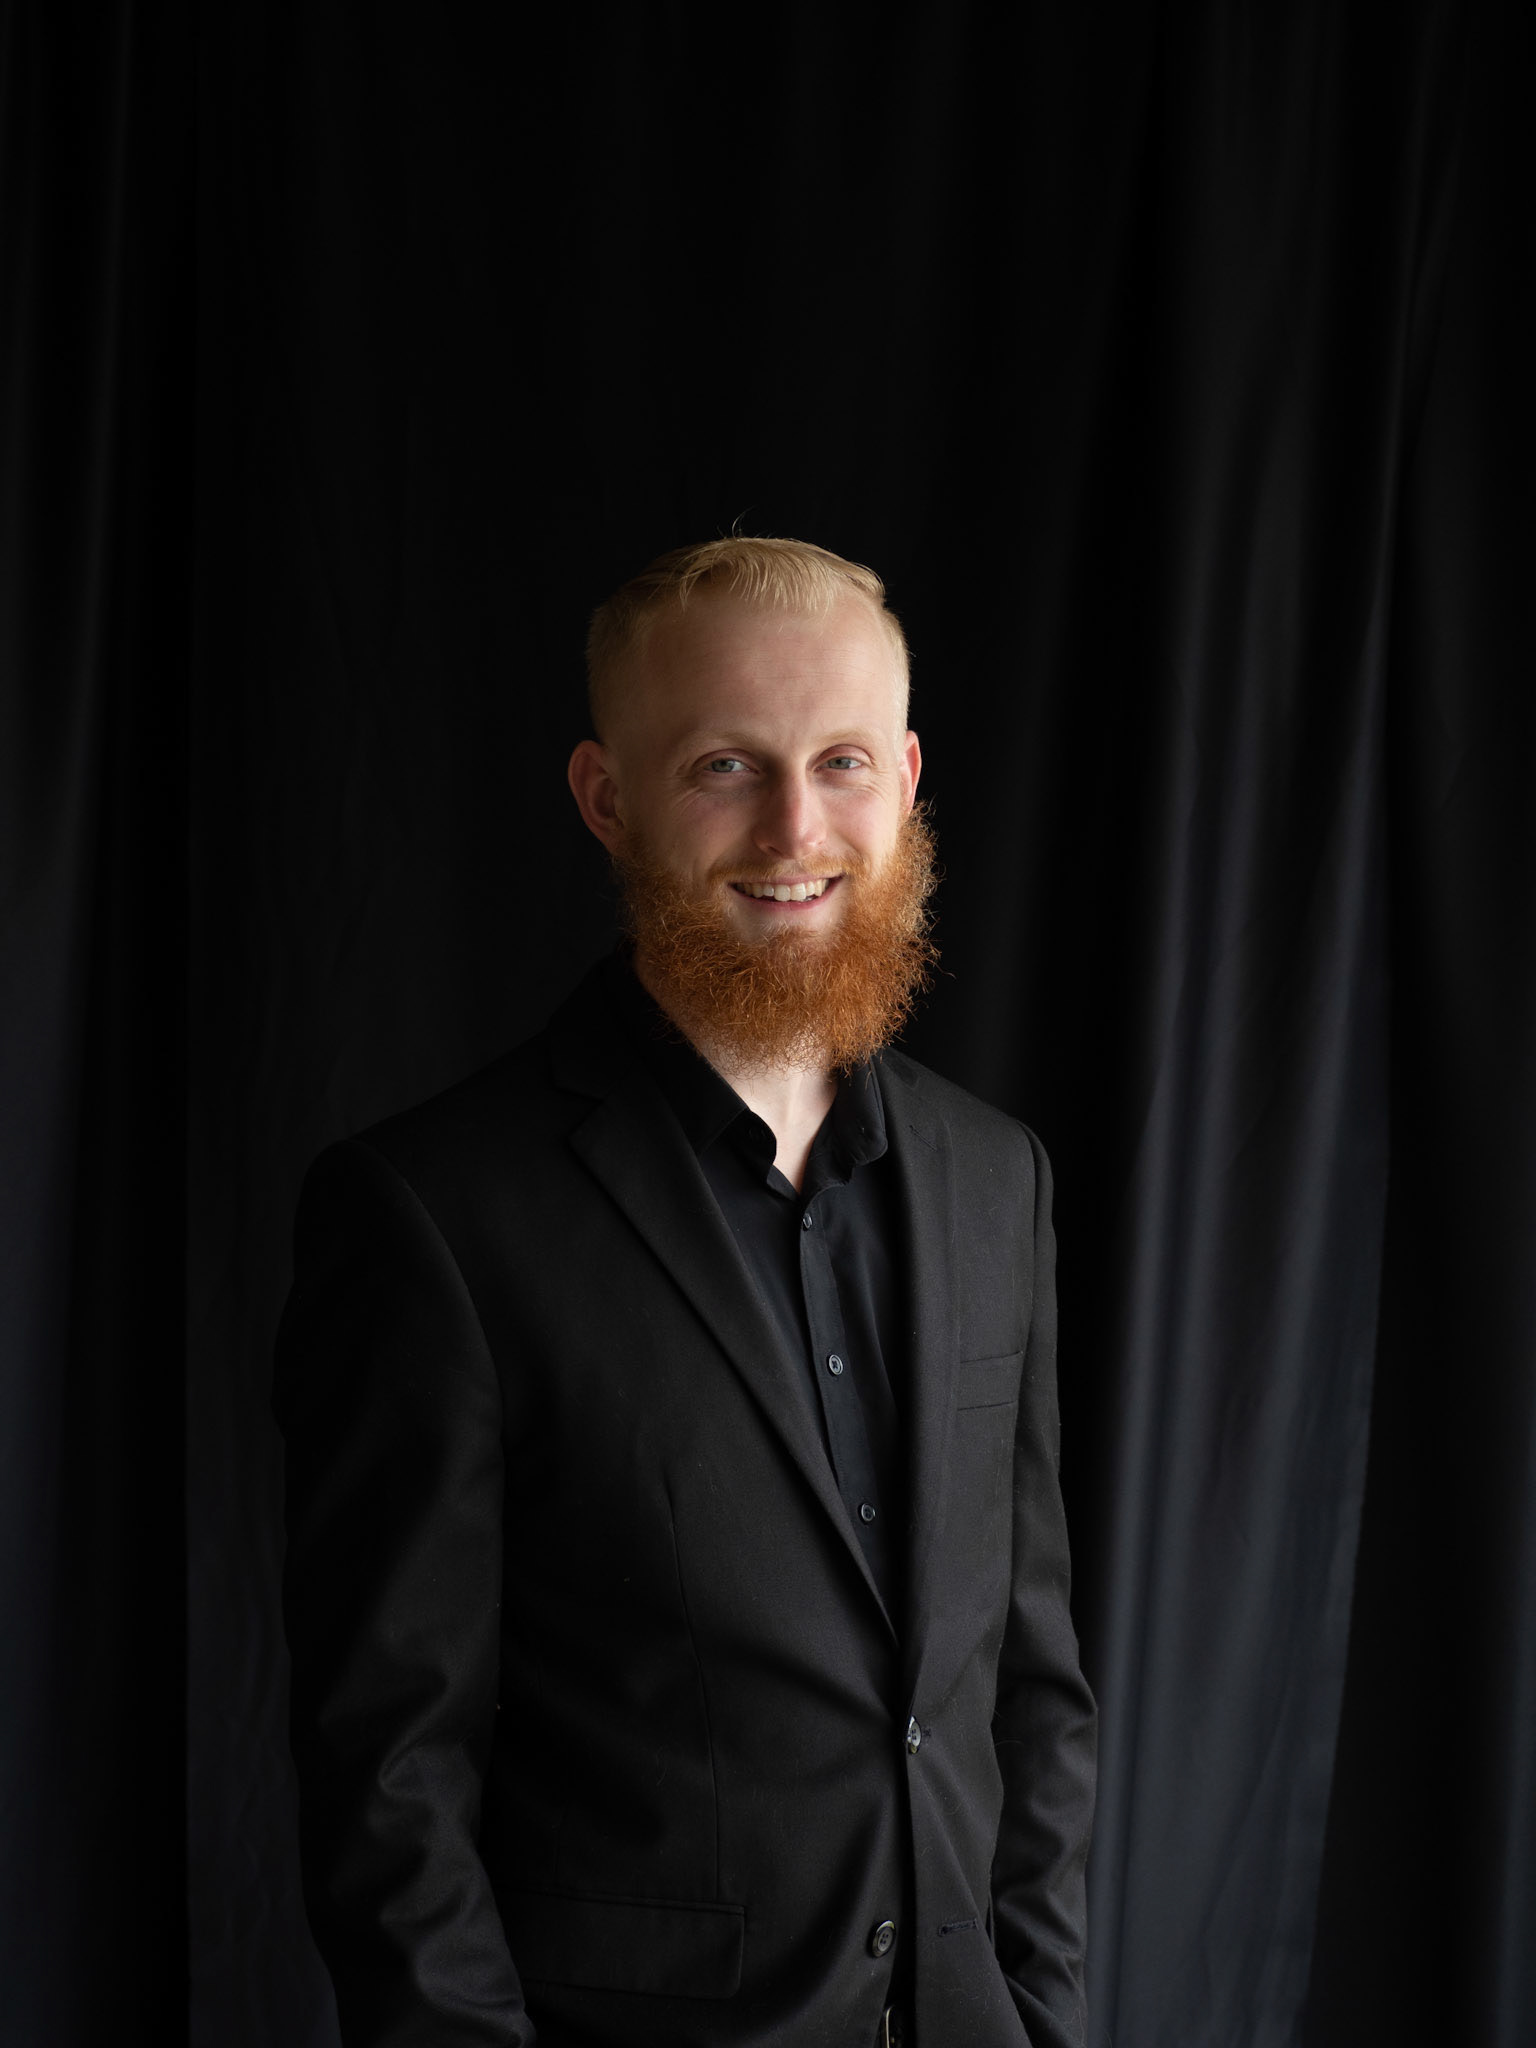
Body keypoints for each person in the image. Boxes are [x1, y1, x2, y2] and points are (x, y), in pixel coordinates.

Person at [275, 536, 1097, 2048]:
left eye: (842, 761)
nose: (797, 828)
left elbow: (1029, 1685)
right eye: (727, 766)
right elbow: (390, 1773)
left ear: (909, 778)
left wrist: (1040, 2013)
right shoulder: (431, 1214)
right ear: (608, 799)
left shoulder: (1001, 1180)